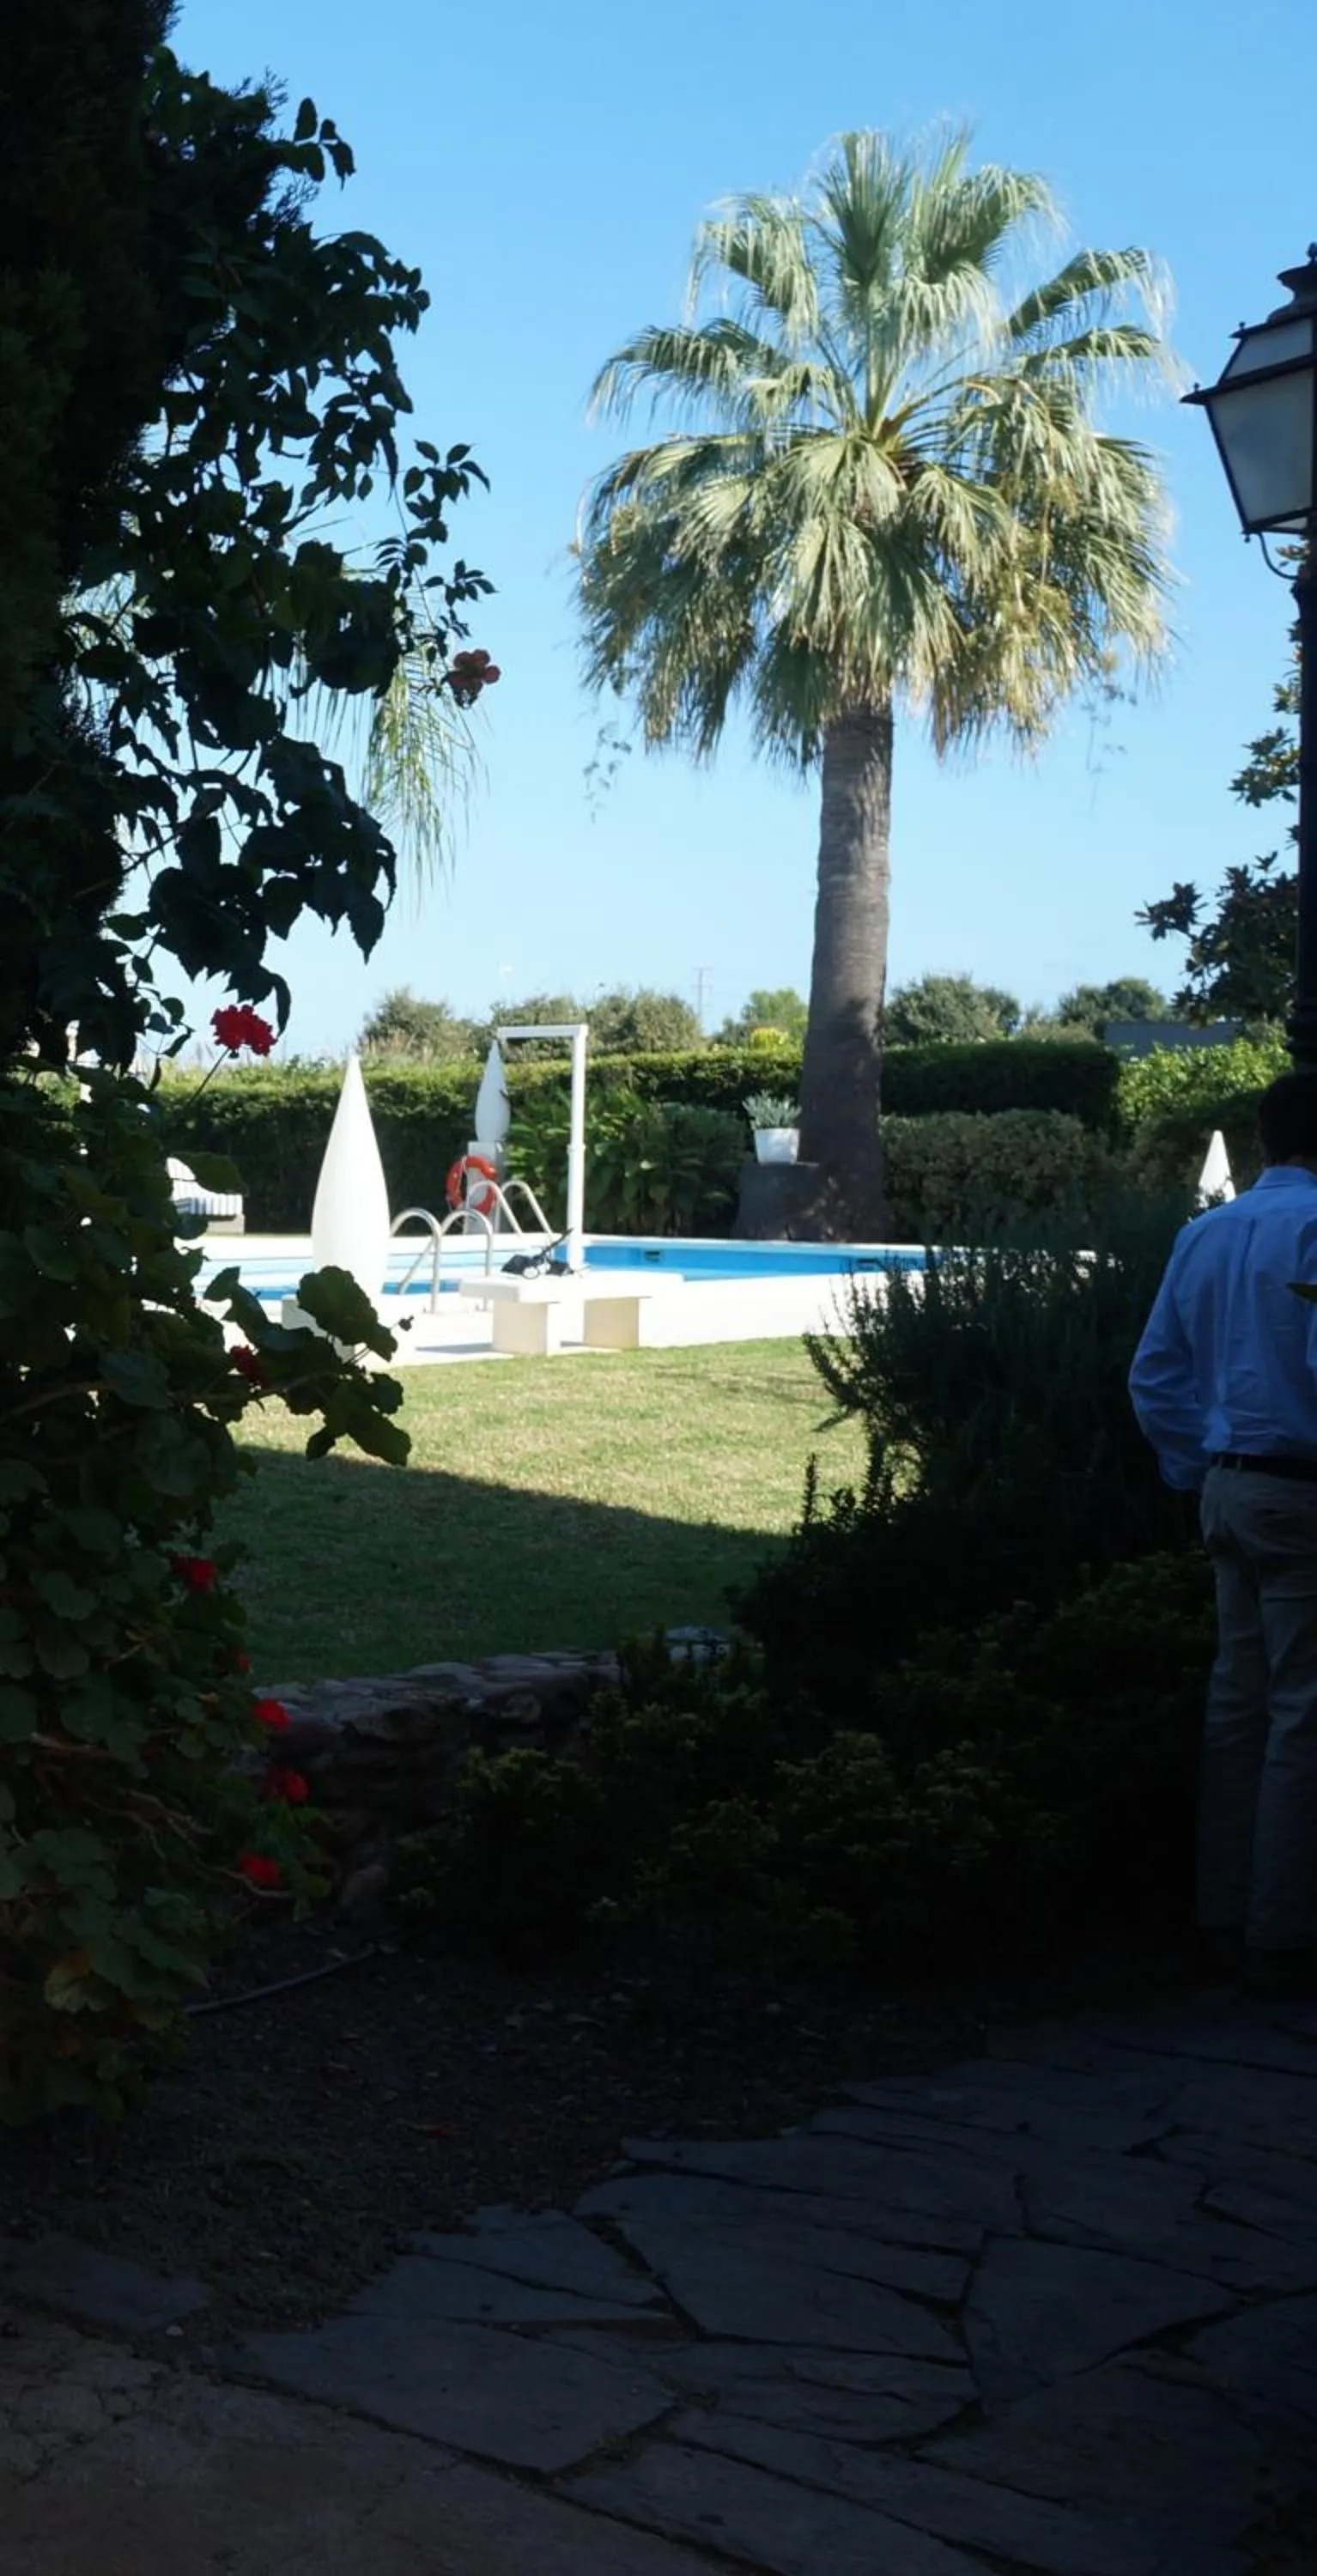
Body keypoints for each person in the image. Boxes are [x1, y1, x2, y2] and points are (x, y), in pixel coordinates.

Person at [1129, 1070, 1317, 2002]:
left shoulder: (1207, 1231)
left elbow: (1154, 1376)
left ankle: (1218, 1913)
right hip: (1300, 1494)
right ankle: (1280, 1935)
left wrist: (1195, 1475)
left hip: (1229, 1492)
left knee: (1236, 1703)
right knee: (1300, 1712)